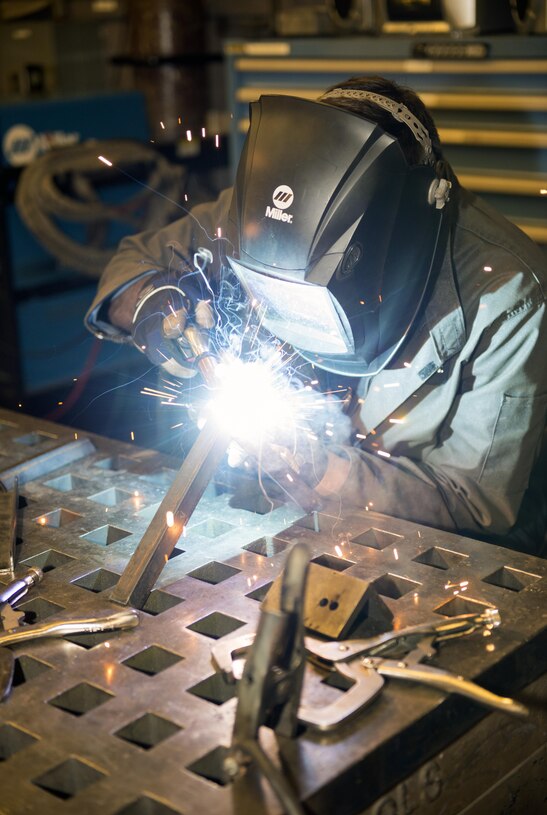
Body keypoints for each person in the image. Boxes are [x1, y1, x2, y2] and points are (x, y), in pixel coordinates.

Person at [85, 76, 547, 555]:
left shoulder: (507, 293)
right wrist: (152, 306)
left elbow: (475, 506)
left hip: (444, 555)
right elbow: (129, 266)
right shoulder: (260, 209)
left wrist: (320, 469)